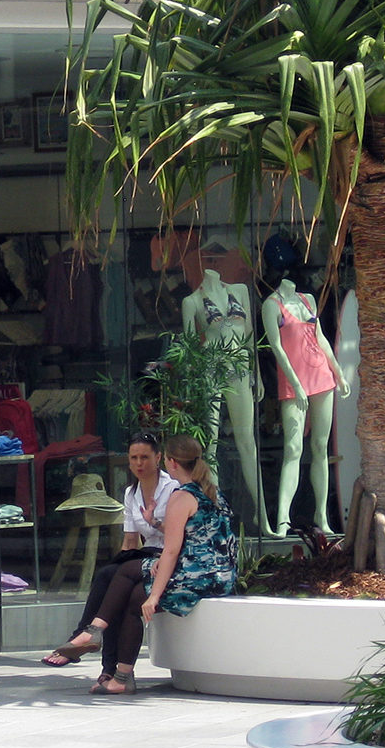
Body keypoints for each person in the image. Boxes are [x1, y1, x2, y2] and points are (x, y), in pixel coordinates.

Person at [77, 435, 238, 694]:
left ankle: (95, 629)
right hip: (220, 576)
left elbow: (172, 550)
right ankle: (121, 676)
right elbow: (197, 541)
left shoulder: (181, 496)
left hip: (197, 579)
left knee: (127, 571)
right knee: (132, 597)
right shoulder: (211, 491)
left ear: (171, 462)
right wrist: (154, 527)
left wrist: (154, 596)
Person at [42, 432, 180, 667]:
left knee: (114, 580)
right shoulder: (131, 493)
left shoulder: (173, 489)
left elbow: (180, 535)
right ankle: (104, 666)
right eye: (134, 457)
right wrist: (120, 566)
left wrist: (155, 522)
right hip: (145, 554)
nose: (139, 463)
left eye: (145, 457)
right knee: (111, 579)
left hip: (168, 554)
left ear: (158, 458)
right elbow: (129, 541)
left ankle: (81, 639)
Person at [184, 268, 271, 534]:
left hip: (240, 367)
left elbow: (249, 338)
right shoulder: (192, 301)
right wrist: (189, 387)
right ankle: (216, 515)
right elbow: (189, 348)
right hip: (210, 367)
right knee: (209, 444)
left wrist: (257, 374)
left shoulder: (240, 291)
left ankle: (263, 515)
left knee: (247, 442)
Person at [262, 279, 349, 536]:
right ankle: (282, 520)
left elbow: (320, 338)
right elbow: (275, 347)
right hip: (293, 382)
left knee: (321, 447)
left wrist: (339, 373)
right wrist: (296, 385)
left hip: (321, 375)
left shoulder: (307, 299)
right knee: (292, 448)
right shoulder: (271, 305)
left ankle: (321, 517)